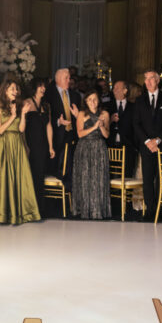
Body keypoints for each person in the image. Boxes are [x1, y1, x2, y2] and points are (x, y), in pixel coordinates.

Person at [0, 80, 41, 225]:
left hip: (17, 144)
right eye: (12, 89)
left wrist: (22, 114)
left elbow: (21, 129)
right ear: (5, 91)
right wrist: (12, 116)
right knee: (3, 177)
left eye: (16, 89)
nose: (15, 91)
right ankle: (0, 213)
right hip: (4, 145)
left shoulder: (19, 106)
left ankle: (21, 213)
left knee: (20, 177)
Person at [133, 70, 162, 217]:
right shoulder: (139, 100)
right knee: (148, 178)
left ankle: (159, 209)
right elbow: (136, 124)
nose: (147, 82)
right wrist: (147, 141)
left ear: (157, 81)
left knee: (161, 178)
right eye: (145, 79)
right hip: (146, 147)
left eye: (151, 79)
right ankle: (150, 210)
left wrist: (157, 140)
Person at [71, 91, 111, 220]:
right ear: (86, 102)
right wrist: (94, 127)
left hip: (99, 148)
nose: (92, 102)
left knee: (98, 178)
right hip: (84, 148)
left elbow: (106, 135)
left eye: (94, 99)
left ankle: (98, 209)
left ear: (98, 100)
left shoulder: (104, 114)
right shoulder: (82, 114)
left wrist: (101, 126)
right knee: (84, 178)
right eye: (89, 100)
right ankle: (84, 209)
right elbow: (80, 134)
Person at [22, 78, 54, 212]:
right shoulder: (26, 103)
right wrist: (24, 146)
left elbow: (49, 126)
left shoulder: (46, 106)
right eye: (40, 86)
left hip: (42, 145)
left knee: (39, 176)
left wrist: (51, 146)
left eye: (44, 86)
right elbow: (21, 127)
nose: (43, 89)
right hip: (30, 144)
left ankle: (38, 209)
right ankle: (27, 208)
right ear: (34, 88)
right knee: (29, 176)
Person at [43, 68, 81, 178]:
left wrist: (77, 116)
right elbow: (45, 117)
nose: (69, 80)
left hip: (72, 136)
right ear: (58, 79)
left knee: (71, 169)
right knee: (55, 170)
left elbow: (80, 116)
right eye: (66, 78)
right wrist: (58, 121)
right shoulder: (48, 95)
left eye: (69, 78)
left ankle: (68, 192)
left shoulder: (75, 96)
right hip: (56, 137)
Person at [103, 80, 137, 182]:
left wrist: (135, 145)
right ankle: (112, 198)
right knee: (111, 175)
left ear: (125, 91)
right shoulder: (107, 106)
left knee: (127, 175)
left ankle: (126, 197)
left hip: (128, 146)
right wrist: (110, 120)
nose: (114, 90)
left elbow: (136, 127)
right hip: (111, 145)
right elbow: (100, 126)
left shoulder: (134, 107)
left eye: (117, 88)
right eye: (114, 88)